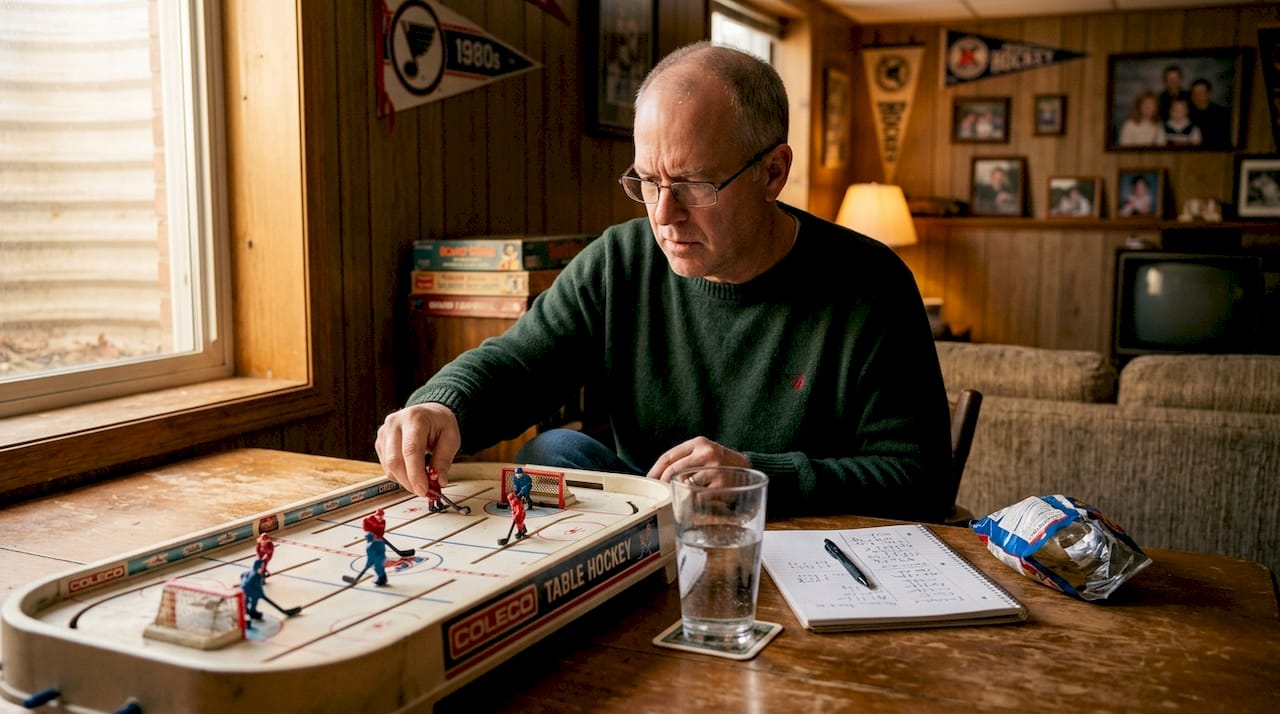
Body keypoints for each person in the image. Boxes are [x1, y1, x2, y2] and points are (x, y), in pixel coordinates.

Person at [375, 42, 952, 522]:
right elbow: (519, 363)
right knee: (553, 453)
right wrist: (441, 407)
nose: (663, 214)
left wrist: (756, 477)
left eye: (696, 184)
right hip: (650, 529)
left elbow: (918, 478)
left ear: (773, 172)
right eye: (648, 181)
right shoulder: (620, 259)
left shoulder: (873, 284)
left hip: (796, 539)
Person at [1188, 78, 1231, 149]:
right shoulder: (1185, 113)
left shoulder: (1222, 114)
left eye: (1201, 93)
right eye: (1195, 93)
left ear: (1209, 93)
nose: (1198, 96)